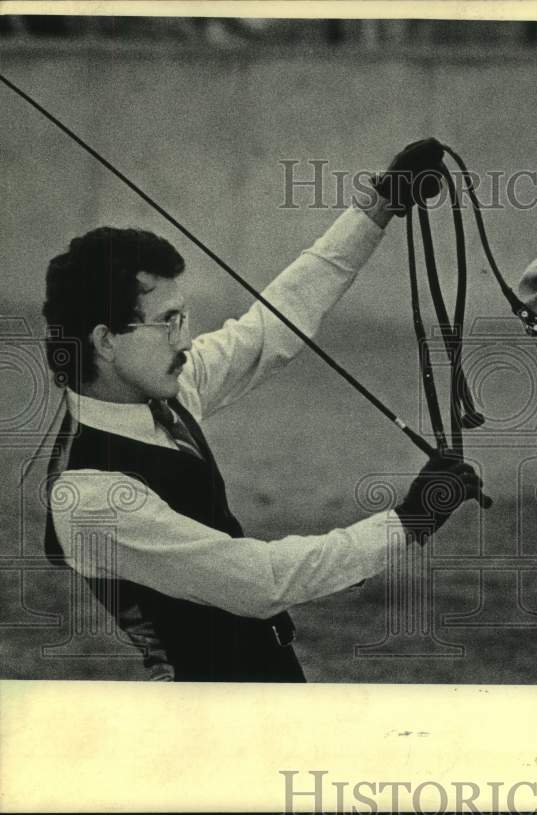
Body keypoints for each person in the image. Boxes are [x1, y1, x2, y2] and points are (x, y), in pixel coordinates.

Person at [42, 139, 483, 682]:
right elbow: (259, 582)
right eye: (167, 321)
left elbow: (270, 327)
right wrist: (406, 522)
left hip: (268, 681)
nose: (185, 339)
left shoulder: (168, 389)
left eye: (185, 318)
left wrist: (378, 207)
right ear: (105, 340)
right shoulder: (88, 497)